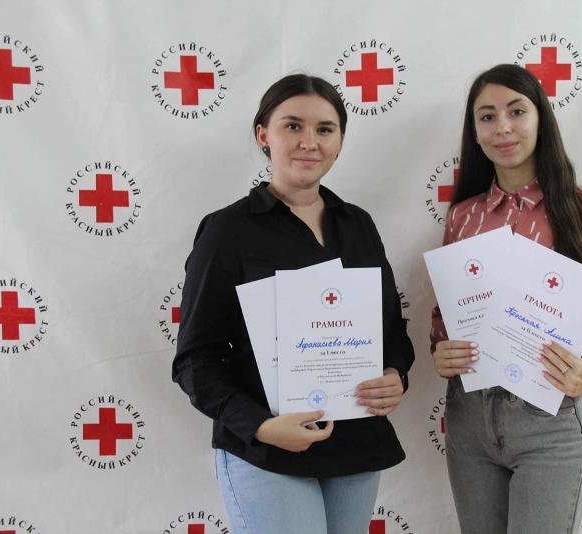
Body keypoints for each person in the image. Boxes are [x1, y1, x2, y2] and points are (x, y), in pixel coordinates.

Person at [172, 74, 415, 534]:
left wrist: (394, 374)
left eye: (325, 129)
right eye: (292, 126)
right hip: (267, 450)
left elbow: (390, 331)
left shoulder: (359, 226)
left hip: (355, 445)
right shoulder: (228, 231)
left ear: (340, 141)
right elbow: (195, 360)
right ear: (263, 135)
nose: (309, 142)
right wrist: (261, 427)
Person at [430, 64, 582, 534]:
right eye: (487, 116)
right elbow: (444, 318)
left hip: (549, 419)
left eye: (516, 112)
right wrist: (440, 350)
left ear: (541, 119)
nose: (502, 127)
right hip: (469, 420)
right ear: (474, 132)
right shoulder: (463, 217)